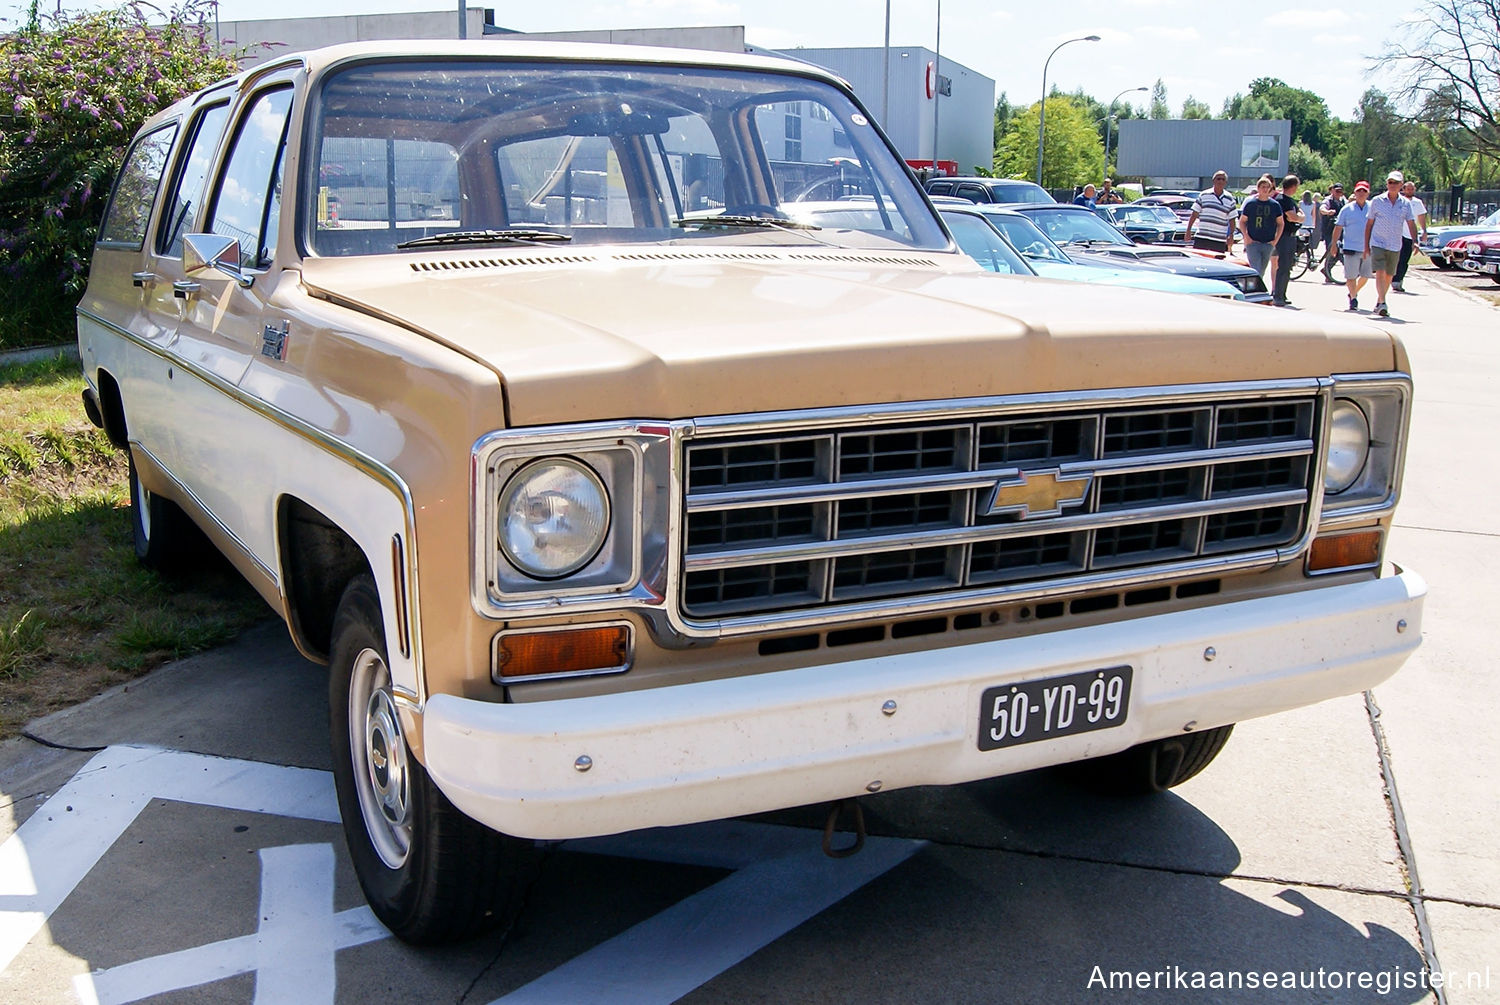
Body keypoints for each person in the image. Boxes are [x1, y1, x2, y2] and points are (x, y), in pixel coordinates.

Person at [1363, 170, 1418, 317]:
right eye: (1390, 182)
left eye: (1395, 183)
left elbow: (1411, 223)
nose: (1392, 185)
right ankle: (1382, 302)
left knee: (1389, 275)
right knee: (1380, 272)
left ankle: (1380, 300)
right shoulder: (1377, 201)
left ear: (1401, 185)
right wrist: (1366, 245)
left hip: (1395, 243)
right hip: (1378, 241)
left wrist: (1415, 241)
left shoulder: (1405, 204)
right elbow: (1369, 223)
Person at [1331, 180, 1372, 311]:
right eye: (1359, 190)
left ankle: (1353, 292)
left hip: (1368, 248)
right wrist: (1333, 245)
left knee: (1365, 276)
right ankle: (1353, 299)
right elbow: (1338, 227)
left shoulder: (1372, 207)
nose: (1361, 193)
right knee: (1351, 276)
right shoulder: (1347, 209)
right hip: (1350, 247)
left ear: (1368, 193)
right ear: (1355, 192)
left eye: (1364, 191)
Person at [1239, 175, 1284, 281]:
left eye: (1267, 187)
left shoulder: (1275, 205)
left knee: (1262, 271)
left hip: (1268, 243)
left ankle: (1255, 289)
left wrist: (1275, 240)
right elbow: (1242, 221)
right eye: (1262, 186)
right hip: (1253, 242)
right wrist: (1246, 237)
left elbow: (1281, 223)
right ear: (1258, 188)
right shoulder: (1251, 204)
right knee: (1256, 270)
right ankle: (1254, 291)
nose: (1265, 189)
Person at [1185, 170, 1238, 254]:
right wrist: (1188, 230)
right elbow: (1194, 214)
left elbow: (1232, 219)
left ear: (1226, 182)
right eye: (1218, 179)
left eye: (1223, 179)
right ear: (1213, 181)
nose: (1220, 181)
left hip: (1219, 239)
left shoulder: (1230, 199)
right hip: (1202, 237)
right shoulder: (1204, 195)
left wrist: (1231, 235)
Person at [1270, 174, 1303, 306]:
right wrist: (1301, 217)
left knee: (1287, 266)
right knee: (1283, 266)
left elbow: (1297, 213)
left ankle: (1282, 294)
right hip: (1283, 236)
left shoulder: (1289, 200)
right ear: (1293, 186)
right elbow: (1292, 217)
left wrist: (1299, 215)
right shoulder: (1283, 200)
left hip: (1289, 236)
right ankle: (1278, 295)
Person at [1392, 179, 1429, 293]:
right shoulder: (1398, 201)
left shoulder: (1417, 203)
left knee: (1404, 259)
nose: (1410, 190)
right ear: (1403, 189)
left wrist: (1424, 231)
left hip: (1409, 235)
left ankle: (1398, 280)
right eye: (1408, 189)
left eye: (1412, 189)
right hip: (1396, 234)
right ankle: (1393, 279)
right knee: (1395, 258)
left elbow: (1421, 217)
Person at [1319, 183, 1346, 282]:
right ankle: (1327, 271)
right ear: (1332, 191)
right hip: (1329, 230)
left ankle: (1326, 270)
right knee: (1333, 250)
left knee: (1338, 250)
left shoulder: (1343, 200)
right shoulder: (1328, 200)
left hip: (1340, 229)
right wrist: (1327, 212)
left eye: (1340, 191)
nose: (1339, 193)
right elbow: (1322, 208)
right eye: (1337, 190)